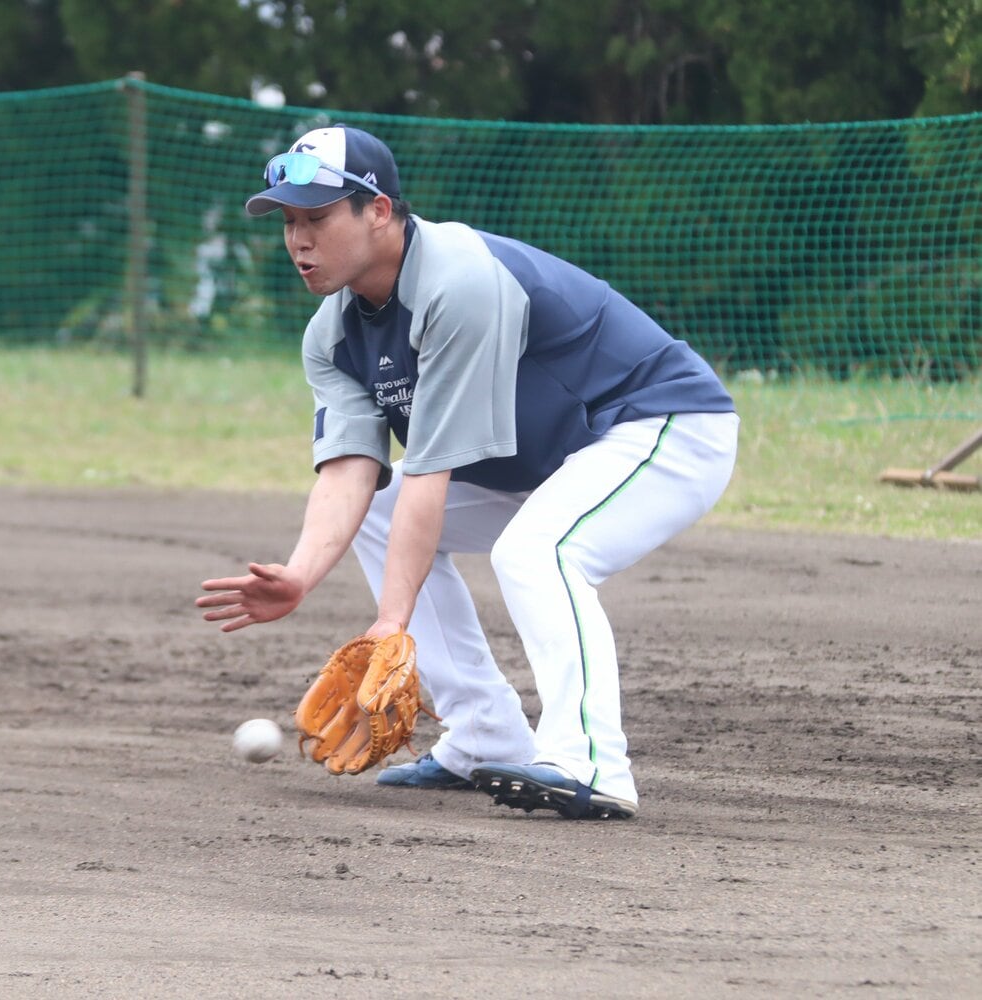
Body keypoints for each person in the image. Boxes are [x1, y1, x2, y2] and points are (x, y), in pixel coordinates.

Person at [196, 125, 738, 820]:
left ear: (379, 210)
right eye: (289, 222)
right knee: (380, 509)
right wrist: (300, 574)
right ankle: (484, 733)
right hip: (556, 459)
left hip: (662, 426)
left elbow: (432, 472)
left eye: (318, 217)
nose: (299, 240)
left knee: (541, 550)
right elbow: (352, 470)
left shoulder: (457, 282)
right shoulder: (330, 335)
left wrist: (392, 623)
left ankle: (592, 764)